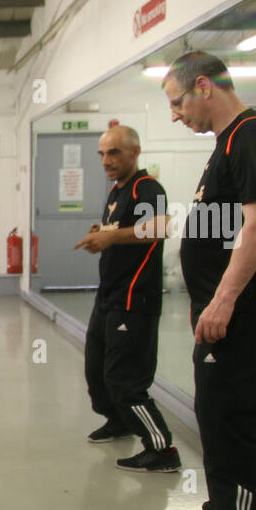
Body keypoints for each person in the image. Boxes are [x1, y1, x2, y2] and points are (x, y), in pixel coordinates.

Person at [162, 51, 256, 510]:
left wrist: (223, 299)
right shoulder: (229, 143)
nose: (175, 115)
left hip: (242, 316)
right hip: (218, 315)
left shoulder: (255, 136)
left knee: (233, 421)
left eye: (177, 103)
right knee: (214, 416)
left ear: (203, 87)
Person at [74, 125, 180, 472]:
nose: (106, 160)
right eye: (102, 154)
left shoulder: (148, 188)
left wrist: (112, 236)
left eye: (114, 153)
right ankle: (118, 421)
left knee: (124, 379)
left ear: (135, 152)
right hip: (109, 296)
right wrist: (100, 235)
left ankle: (162, 449)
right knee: (96, 370)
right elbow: (121, 232)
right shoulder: (118, 191)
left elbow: (161, 227)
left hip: (135, 300)